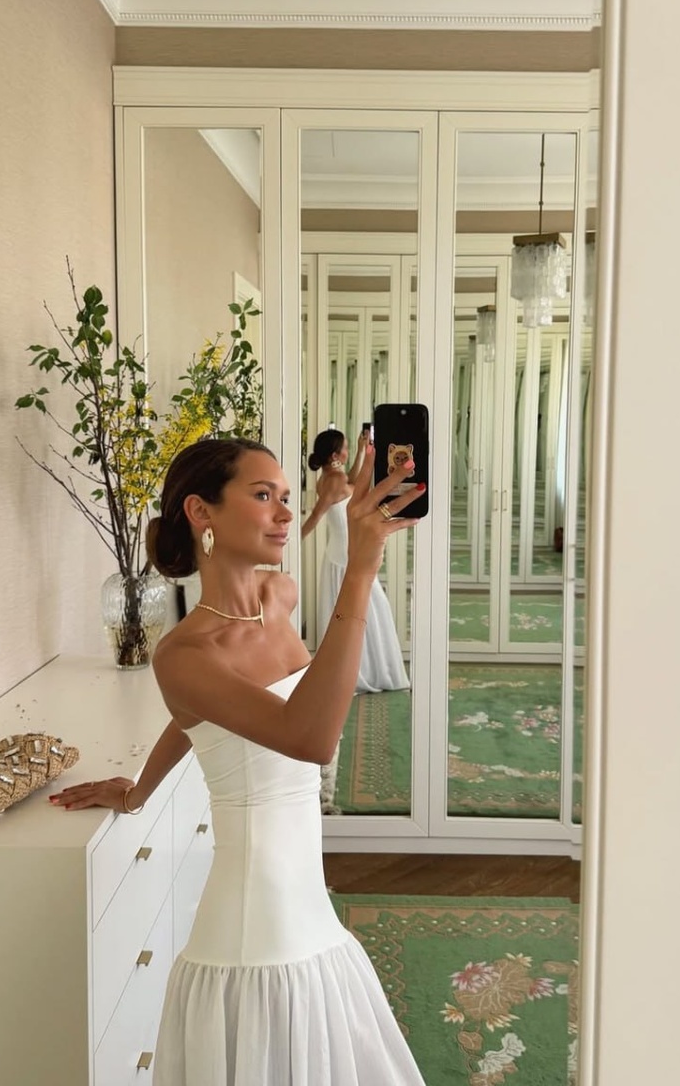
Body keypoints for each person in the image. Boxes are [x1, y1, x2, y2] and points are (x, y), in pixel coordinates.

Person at [49, 436, 426, 1085]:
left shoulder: (280, 597)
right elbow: (309, 738)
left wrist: (138, 790)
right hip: (254, 924)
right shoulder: (183, 654)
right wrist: (361, 571)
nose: (286, 512)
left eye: (285, 496)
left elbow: (205, 716)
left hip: (306, 897)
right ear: (202, 512)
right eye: (262, 495)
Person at [302, 428, 410, 693]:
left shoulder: (329, 477)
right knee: (368, 609)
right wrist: (293, 540)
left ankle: (365, 668)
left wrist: (362, 451)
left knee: (363, 610)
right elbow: (316, 515)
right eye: (347, 448)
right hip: (346, 557)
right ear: (336, 455)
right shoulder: (335, 480)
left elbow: (351, 481)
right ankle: (368, 671)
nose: (348, 452)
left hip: (340, 554)